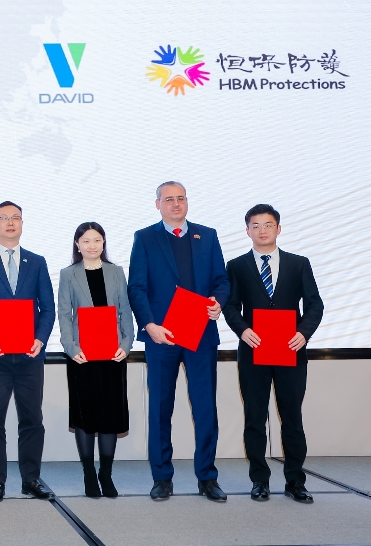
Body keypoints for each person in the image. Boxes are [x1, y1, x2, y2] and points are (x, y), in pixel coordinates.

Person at [127, 181, 230, 503]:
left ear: (187, 202)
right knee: (160, 408)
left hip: (201, 334)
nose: (176, 204)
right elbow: (137, 287)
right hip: (162, 336)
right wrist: (149, 325)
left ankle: (207, 478)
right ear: (157, 204)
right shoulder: (145, 238)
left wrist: (218, 302)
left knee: (205, 407)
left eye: (181, 198)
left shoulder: (207, 236)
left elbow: (221, 280)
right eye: (169, 199)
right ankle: (162, 478)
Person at [222, 204, 323, 504]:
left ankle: (295, 481)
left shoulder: (299, 264)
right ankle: (259, 480)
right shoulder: (236, 266)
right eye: (255, 225)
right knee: (254, 418)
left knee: (292, 418)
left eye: (268, 225)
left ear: (278, 228)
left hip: (291, 350)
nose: (262, 230)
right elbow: (230, 306)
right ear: (247, 231)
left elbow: (315, 304)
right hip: (253, 351)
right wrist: (242, 330)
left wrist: (303, 333)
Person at [0, 201, 56, 502]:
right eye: (3, 218)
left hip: (30, 356)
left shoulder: (37, 262)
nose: (10, 222)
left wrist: (40, 339)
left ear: (22, 223)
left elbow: (48, 308)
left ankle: (31, 479)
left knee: (32, 420)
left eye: (15, 217)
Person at [57, 222, 134, 498]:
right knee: (86, 416)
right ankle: (89, 474)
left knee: (110, 416)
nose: (92, 245)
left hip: (113, 355)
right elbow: (64, 314)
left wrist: (126, 344)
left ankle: (106, 474)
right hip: (82, 356)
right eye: (86, 240)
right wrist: (71, 347)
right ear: (77, 244)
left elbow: (125, 311)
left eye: (97, 240)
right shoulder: (68, 274)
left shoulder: (116, 272)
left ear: (104, 243)